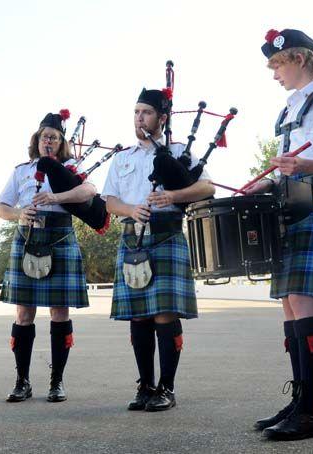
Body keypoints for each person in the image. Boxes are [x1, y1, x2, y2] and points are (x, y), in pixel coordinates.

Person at [246, 29, 313, 440]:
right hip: (289, 204)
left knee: (301, 300)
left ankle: (312, 412)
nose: (275, 73)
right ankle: (299, 400)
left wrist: (303, 164)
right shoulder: (291, 109)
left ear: (302, 59)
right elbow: (292, 165)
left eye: (279, 64)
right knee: (289, 303)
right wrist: (268, 182)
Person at [102, 88, 215, 412]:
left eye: (146, 112)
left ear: (162, 118)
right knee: (138, 316)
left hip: (167, 236)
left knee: (164, 313)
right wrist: (130, 210)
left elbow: (207, 186)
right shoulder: (122, 158)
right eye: (136, 112)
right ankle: (145, 385)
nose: (139, 118)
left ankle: (167, 387)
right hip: (133, 236)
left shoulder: (180, 152)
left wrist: (173, 197)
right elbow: (109, 201)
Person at [0, 110, 95, 403]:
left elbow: (89, 191)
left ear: (61, 141)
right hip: (27, 237)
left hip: (61, 236)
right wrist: (19, 214)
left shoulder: (71, 168)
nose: (47, 141)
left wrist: (55, 197)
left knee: (59, 311)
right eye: (43, 136)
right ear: (37, 140)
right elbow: (2, 207)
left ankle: (57, 382)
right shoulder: (22, 170)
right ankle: (22, 381)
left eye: (53, 137)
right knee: (24, 313)